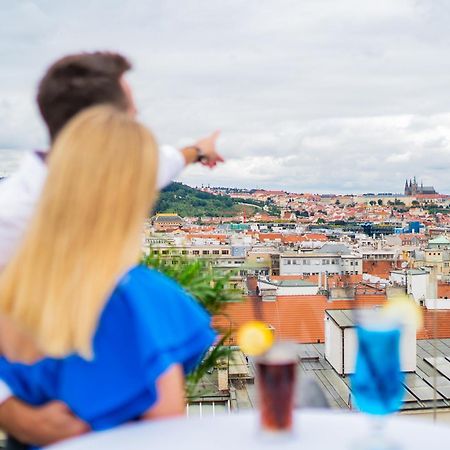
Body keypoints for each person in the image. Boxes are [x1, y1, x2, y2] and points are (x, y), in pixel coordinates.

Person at [0, 52, 223, 446]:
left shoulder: (120, 171)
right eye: (132, 117)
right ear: (107, 131)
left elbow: (169, 160)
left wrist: (199, 150)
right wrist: (15, 415)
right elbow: (164, 426)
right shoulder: (10, 215)